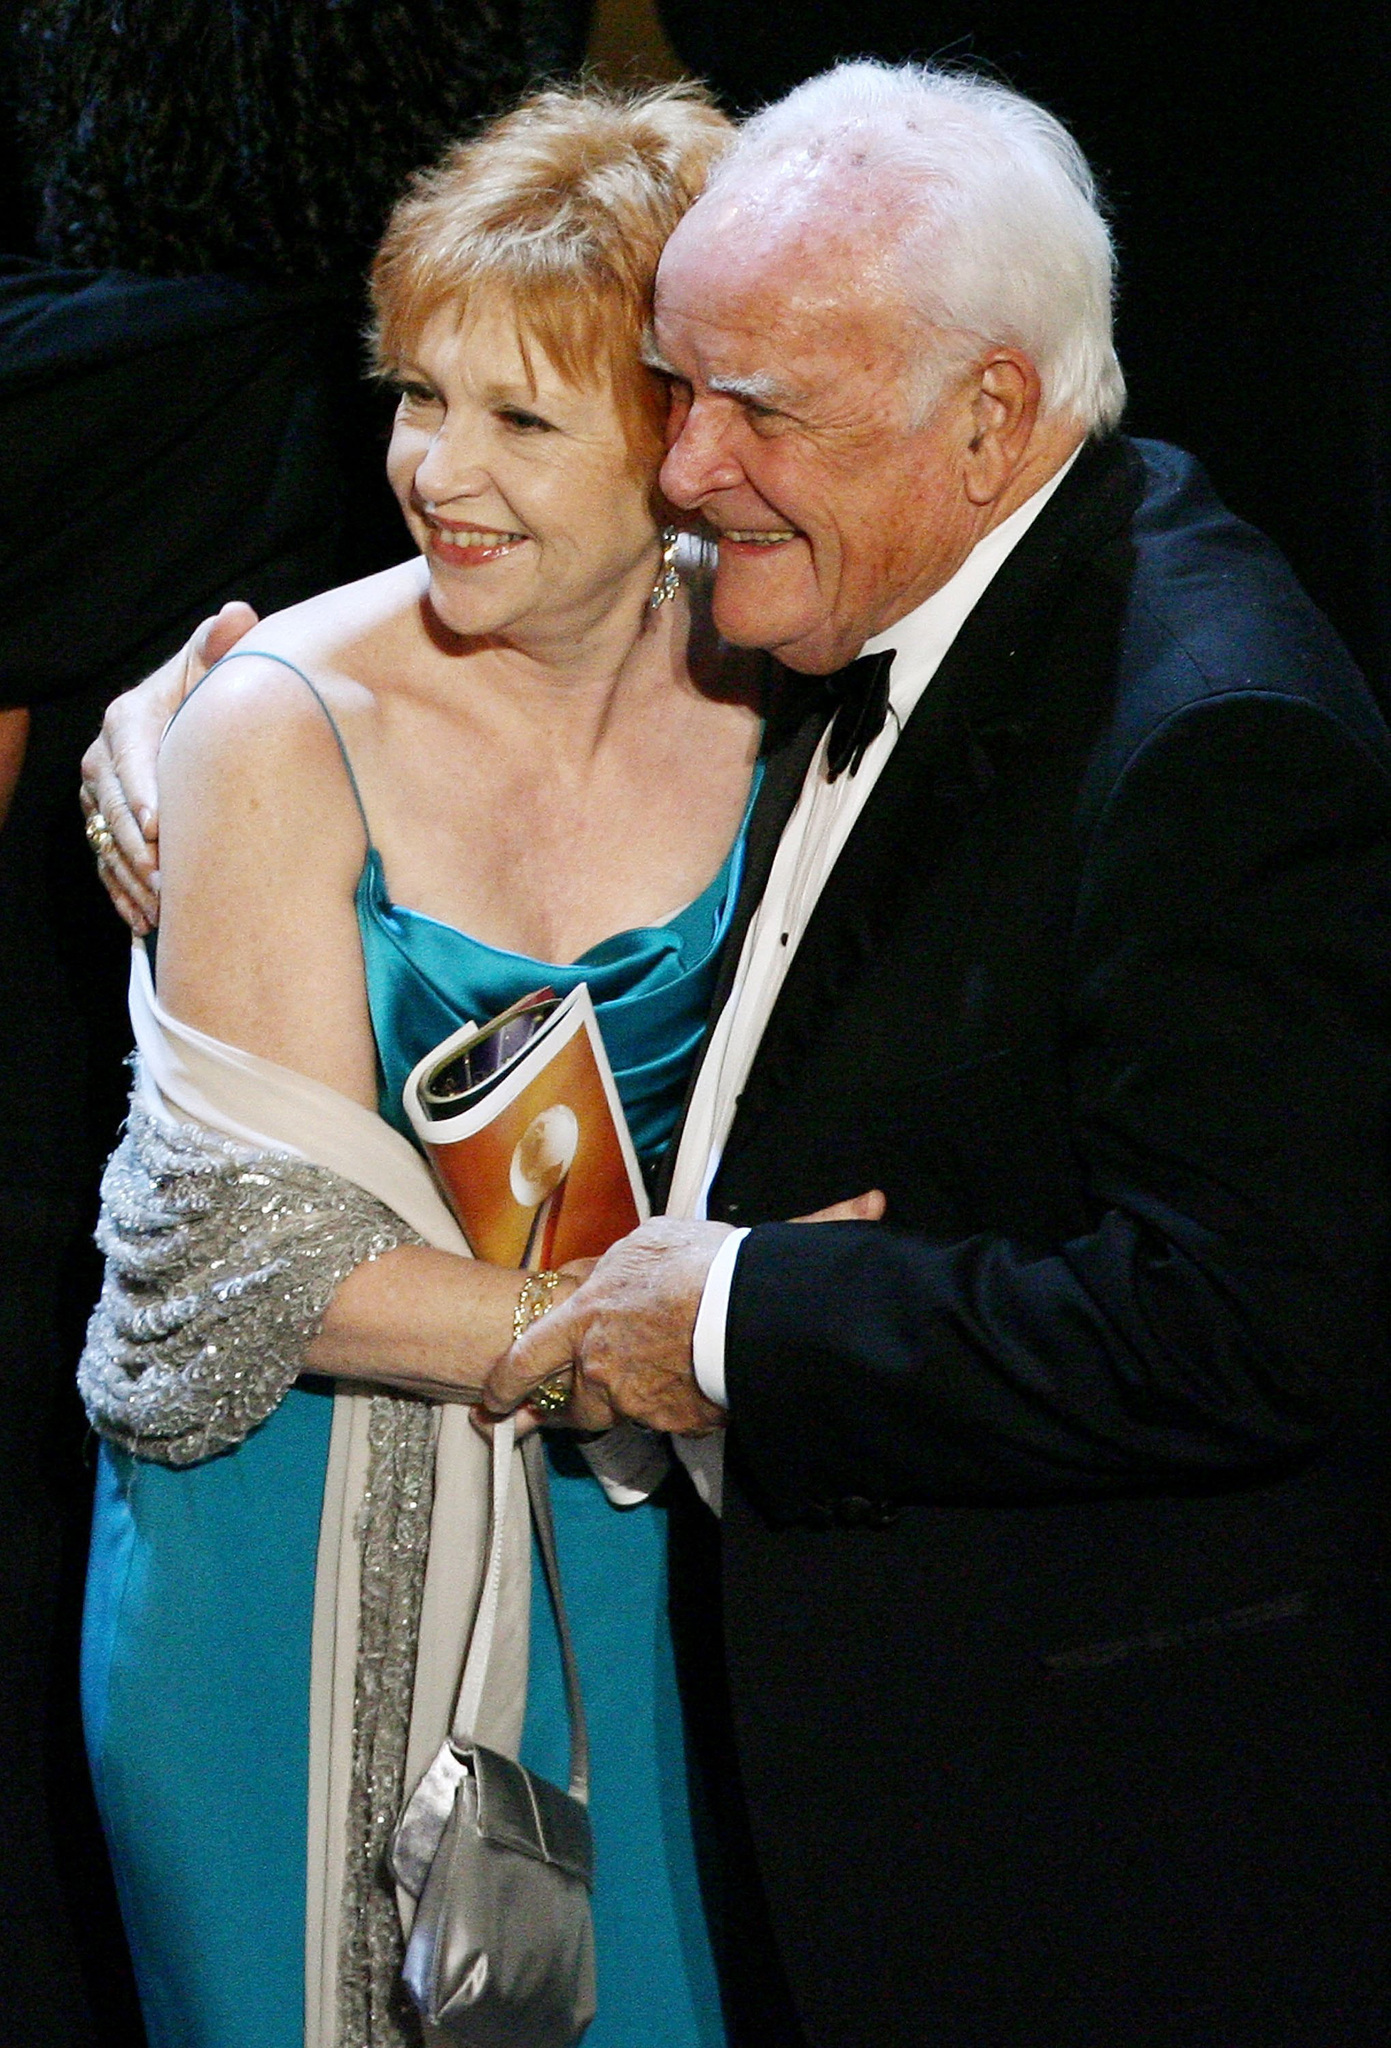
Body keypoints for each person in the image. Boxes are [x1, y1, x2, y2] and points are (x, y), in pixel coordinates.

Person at [473, 61, 1391, 2047]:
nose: (685, 473)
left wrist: (744, 1321)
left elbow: (1258, 1324)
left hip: (1082, 1851)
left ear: (991, 416)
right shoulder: (889, 564)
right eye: (671, 388)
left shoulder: (1216, 736)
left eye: (759, 411)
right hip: (838, 1764)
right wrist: (200, 706)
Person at [71, 79, 836, 2048]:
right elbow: (246, 1272)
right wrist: (676, 1331)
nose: (437, 470)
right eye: (419, 396)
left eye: (519, 417)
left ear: (683, 437)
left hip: (642, 1555)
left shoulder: (795, 696)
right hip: (281, 1564)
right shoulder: (277, 720)